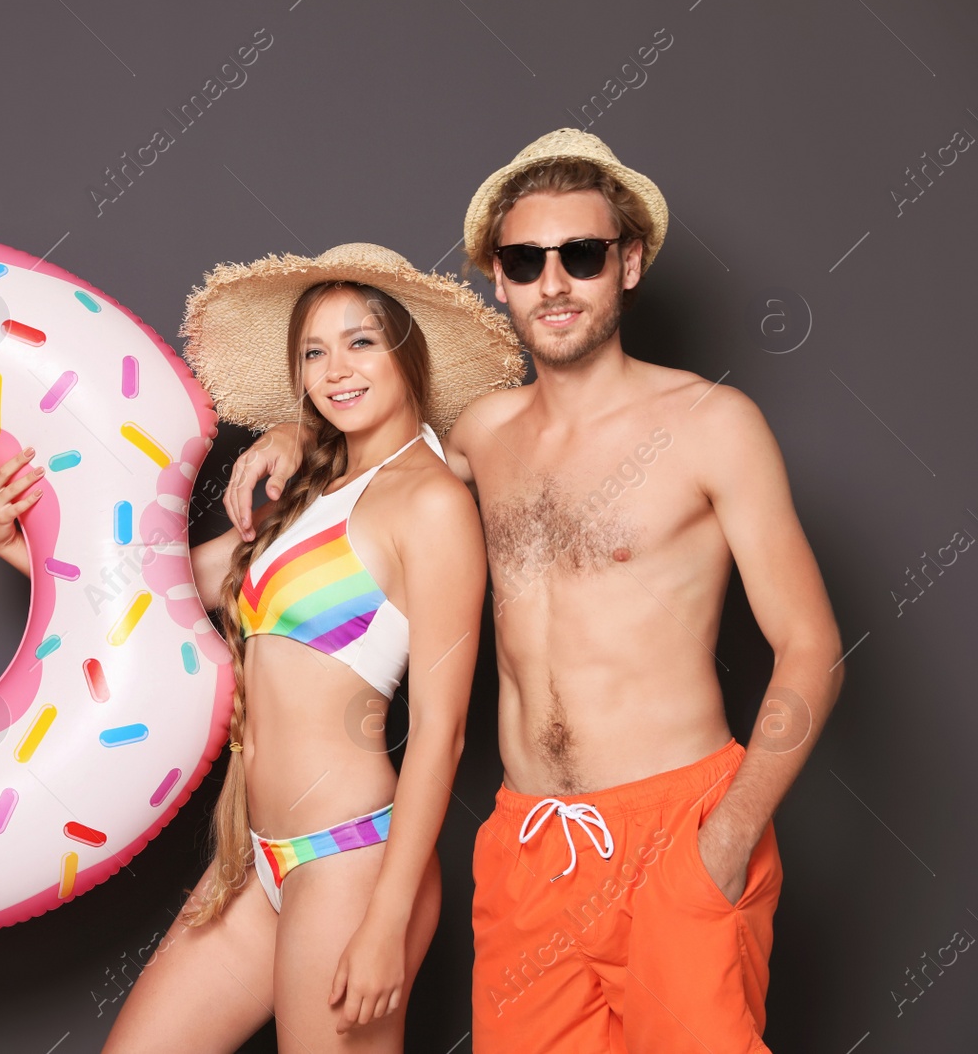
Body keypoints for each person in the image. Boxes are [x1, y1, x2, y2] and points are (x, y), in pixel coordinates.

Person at [224, 131, 845, 1052]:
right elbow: (372, 439)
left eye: (581, 255)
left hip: (678, 829)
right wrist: (290, 427)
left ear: (628, 264)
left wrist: (728, 835)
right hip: (527, 851)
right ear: (498, 279)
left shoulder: (714, 425)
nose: (553, 283)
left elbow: (812, 648)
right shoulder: (480, 433)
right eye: (526, 260)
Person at [0, 242, 523, 1051]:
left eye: (362, 340)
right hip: (255, 856)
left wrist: (387, 919)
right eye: (315, 349)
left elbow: (443, 733)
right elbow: (141, 587)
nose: (336, 367)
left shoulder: (432, 505)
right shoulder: (303, 505)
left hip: (352, 860)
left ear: (408, 351)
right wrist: (7, 537)